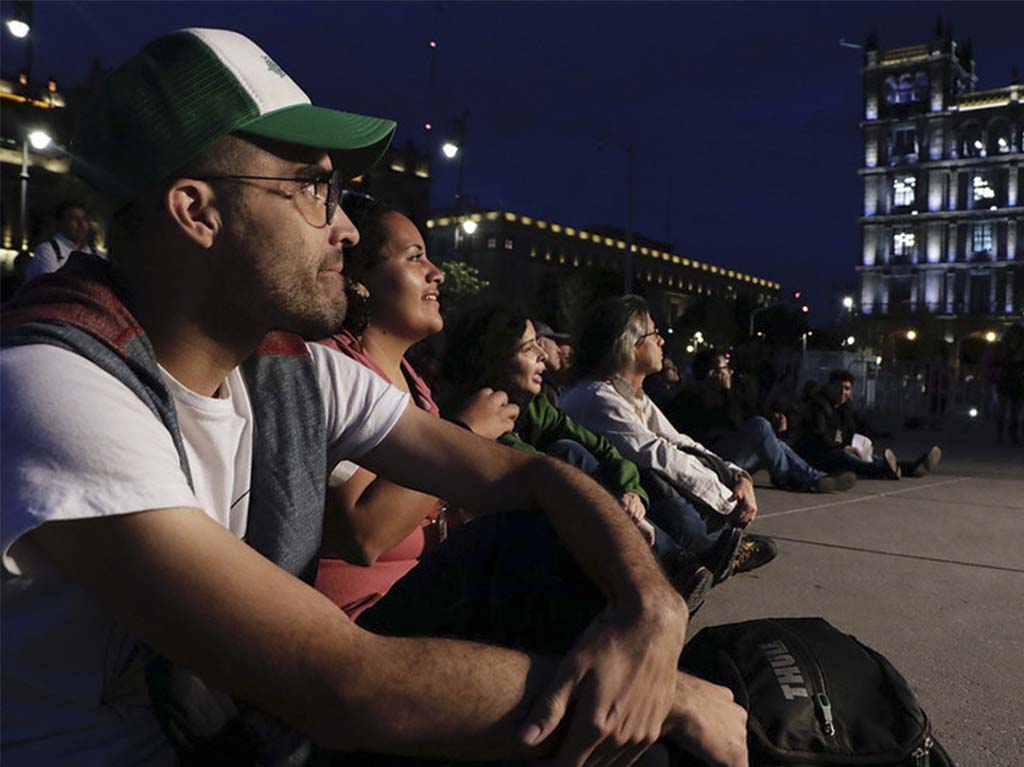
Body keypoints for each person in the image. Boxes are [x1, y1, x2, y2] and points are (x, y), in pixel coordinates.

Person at [0, 29, 746, 767]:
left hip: (246, 731)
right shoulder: (55, 385)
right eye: (312, 190)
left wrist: (652, 605)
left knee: (539, 544)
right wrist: (670, 700)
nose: (346, 227)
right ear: (197, 211)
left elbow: (529, 474)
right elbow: (343, 684)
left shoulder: (284, 367)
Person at [440, 303, 734, 608]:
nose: (543, 355)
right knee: (570, 455)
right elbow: (541, 469)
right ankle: (681, 560)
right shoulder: (585, 397)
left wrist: (630, 491)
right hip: (514, 542)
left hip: (590, 514)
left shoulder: (536, 406)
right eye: (530, 348)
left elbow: (631, 448)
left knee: (606, 465)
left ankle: (687, 556)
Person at [314, 199, 518, 617]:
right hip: (360, 618)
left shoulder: (416, 384)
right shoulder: (334, 367)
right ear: (359, 281)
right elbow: (365, 533)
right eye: (415, 258)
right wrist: (466, 434)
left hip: (423, 598)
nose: (436, 273)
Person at [560, 295, 778, 579]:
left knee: (692, 467)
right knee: (661, 483)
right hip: (612, 506)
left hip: (635, 495)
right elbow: (658, 454)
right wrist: (727, 500)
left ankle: (715, 548)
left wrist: (739, 476)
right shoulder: (595, 397)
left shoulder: (630, 395)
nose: (662, 342)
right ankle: (706, 553)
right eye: (654, 334)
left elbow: (678, 441)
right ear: (628, 344)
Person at [671, 348, 856, 494]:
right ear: (713, 373)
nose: (731, 371)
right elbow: (735, 423)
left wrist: (773, 422)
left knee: (776, 442)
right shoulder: (695, 396)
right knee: (760, 425)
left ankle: (815, 478)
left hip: (731, 458)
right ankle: (788, 478)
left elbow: (745, 417)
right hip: (712, 460)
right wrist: (728, 392)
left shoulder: (725, 394)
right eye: (725, 368)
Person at [798, 369, 941, 480]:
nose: (843, 392)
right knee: (846, 458)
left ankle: (912, 467)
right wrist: (845, 447)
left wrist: (873, 439)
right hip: (817, 454)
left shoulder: (846, 407)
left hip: (838, 448)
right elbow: (819, 437)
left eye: (847, 389)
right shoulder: (818, 405)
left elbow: (860, 426)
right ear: (830, 387)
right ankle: (884, 471)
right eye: (839, 387)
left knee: (871, 457)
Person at [23, 200, 105, 282]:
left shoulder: (97, 254)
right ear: (60, 223)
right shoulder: (47, 251)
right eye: (74, 219)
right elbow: (51, 285)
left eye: (84, 219)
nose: (81, 224)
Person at [532, 319, 569, 404]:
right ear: (540, 343)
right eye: (556, 343)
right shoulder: (538, 392)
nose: (559, 350)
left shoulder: (550, 388)